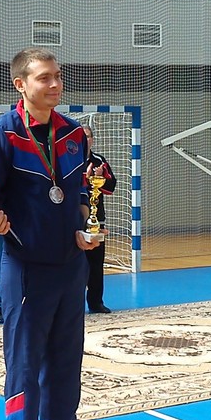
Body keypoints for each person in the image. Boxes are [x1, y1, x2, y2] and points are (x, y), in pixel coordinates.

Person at [0, 47, 107, 420]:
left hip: (70, 267)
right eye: (44, 78)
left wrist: (84, 226)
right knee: (24, 374)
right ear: (20, 84)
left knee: (66, 371)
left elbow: (79, 194)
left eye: (57, 76)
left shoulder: (73, 133)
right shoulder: (3, 133)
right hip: (24, 270)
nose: (54, 84)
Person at [82, 125, 117, 314]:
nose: (85, 140)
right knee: (74, 265)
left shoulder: (99, 161)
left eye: (88, 136)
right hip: (74, 219)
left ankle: (96, 303)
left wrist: (100, 177)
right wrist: (85, 178)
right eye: (82, 136)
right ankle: (71, 305)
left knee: (96, 264)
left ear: (92, 140)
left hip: (96, 220)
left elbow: (111, 187)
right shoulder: (68, 159)